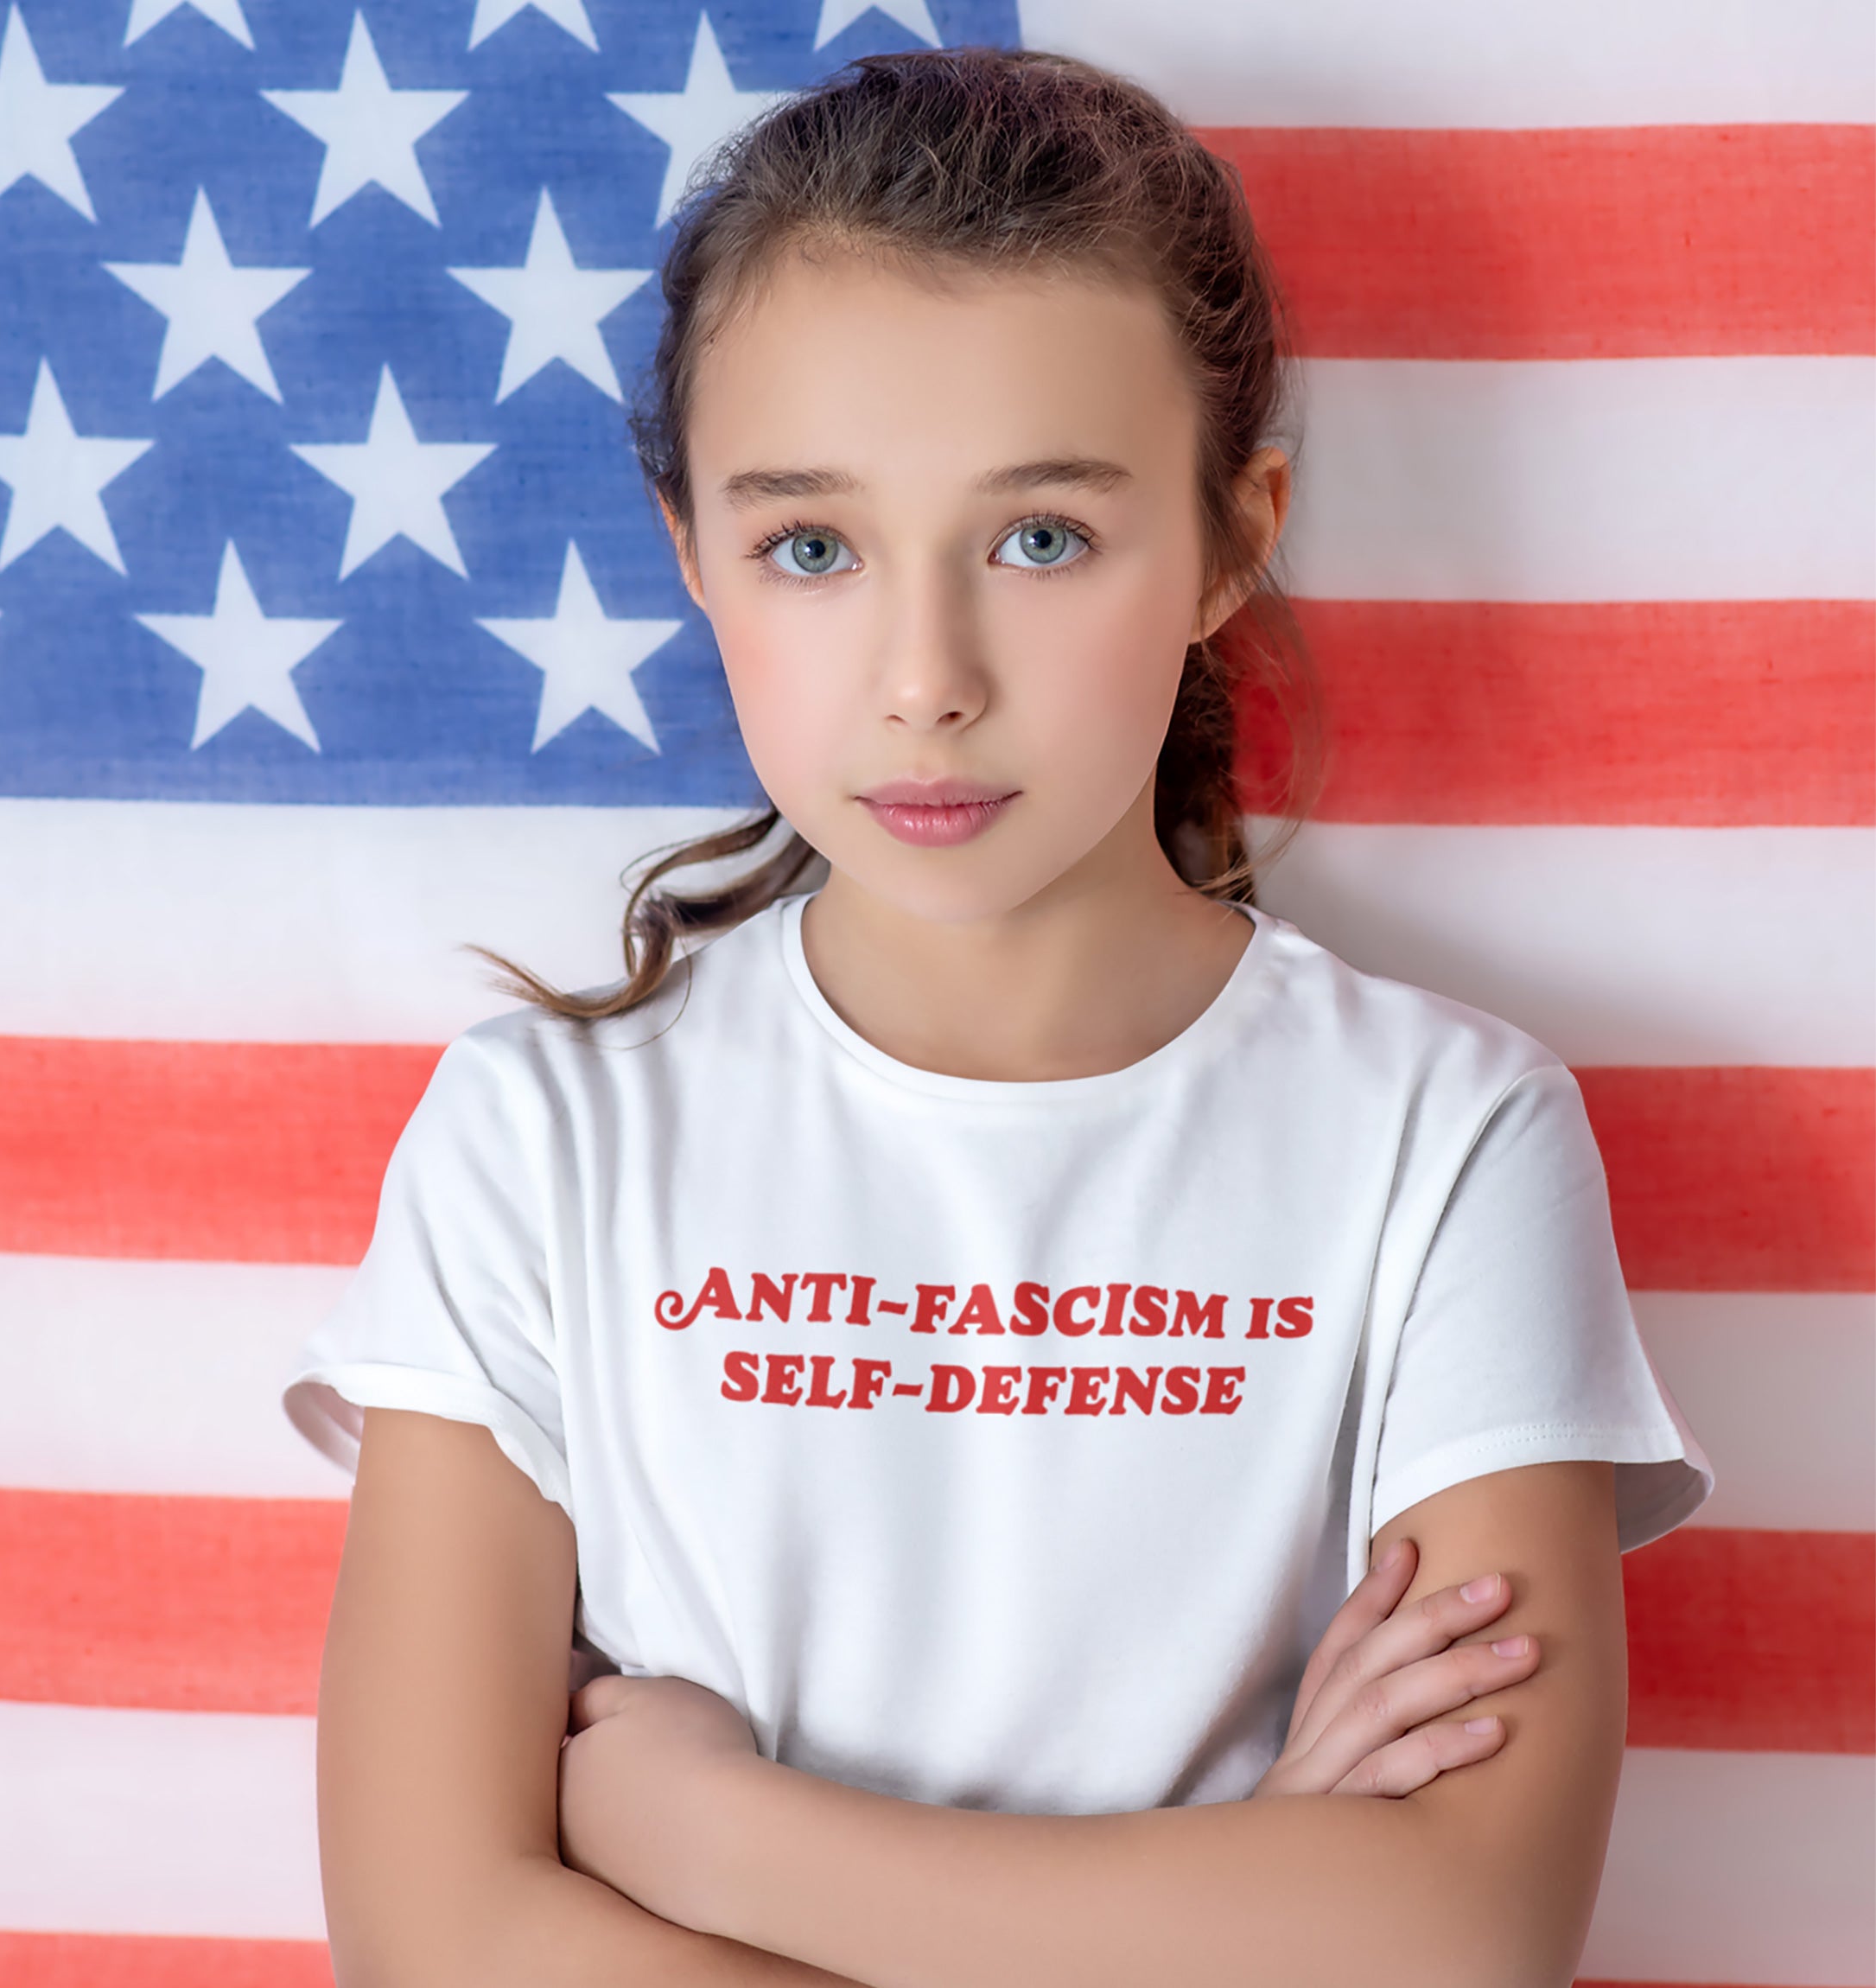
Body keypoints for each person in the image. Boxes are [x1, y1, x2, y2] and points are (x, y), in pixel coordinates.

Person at [281, 46, 1711, 1986]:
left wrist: (710, 1832)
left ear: (1229, 536)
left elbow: (1463, 1939)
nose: (925, 678)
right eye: (813, 546)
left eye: (1040, 537)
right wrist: (1245, 1896)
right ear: (691, 548)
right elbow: (434, 1944)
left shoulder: (1441, 1134)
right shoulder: (540, 1140)